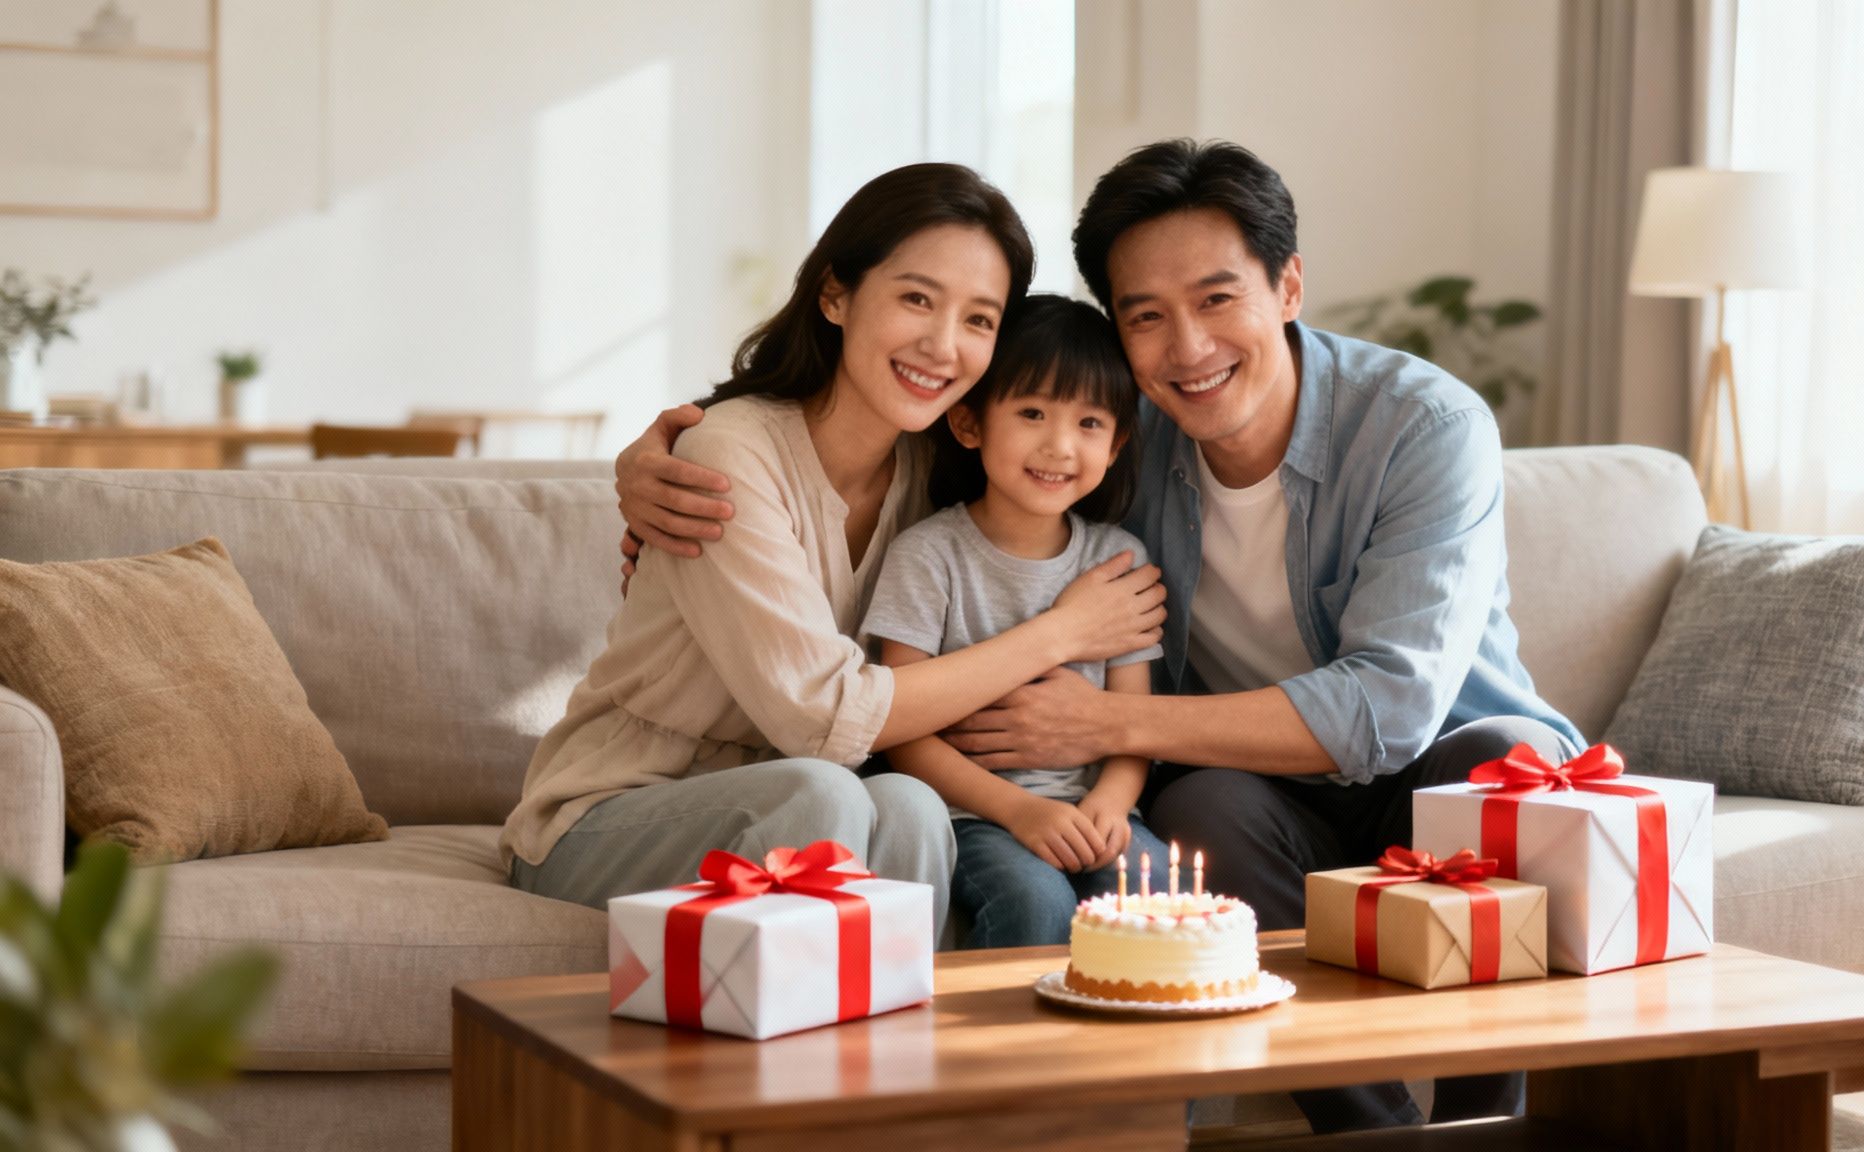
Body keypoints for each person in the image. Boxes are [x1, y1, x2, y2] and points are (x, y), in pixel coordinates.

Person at [613, 141, 1581, 1132]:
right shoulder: (1112, 435)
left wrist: (1106, 726)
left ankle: (1491, 1127)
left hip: (1428, 767)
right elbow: (919, 427)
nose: (1187, 348)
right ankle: (1369, 1131)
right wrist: (653, 458)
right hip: (1250, 791)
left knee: (1506, 771)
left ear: (1288, 286)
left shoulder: (1423, 426)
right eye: (1144, 316)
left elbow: (1389, 710)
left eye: (1216, 299)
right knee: (1202, 811)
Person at [500, 163, 1166, 939]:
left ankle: (905, 1017)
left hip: (807, 803)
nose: (943, 345)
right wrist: (1063, 633)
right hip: (610, 817)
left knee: (907, 804)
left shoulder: (933, 467)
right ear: (835, 295)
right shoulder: (731, 454)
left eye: (979, 320)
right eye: (917, 299)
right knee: (822, 793)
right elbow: (824, 719)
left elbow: (1066, 442)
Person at [861, 294, 1169, 949]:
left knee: (1160, 889)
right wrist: (1020, 810)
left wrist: (1110, 805)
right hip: (973, 815)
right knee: (1034, 901)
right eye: (1032, 413)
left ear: (1116, 443)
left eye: (1090, 422)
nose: (1059, 446)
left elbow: (1135, 723)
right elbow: (903, 734)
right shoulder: (928, 555)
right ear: (969, 423)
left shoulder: (1119, 561)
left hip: (1094, 810)